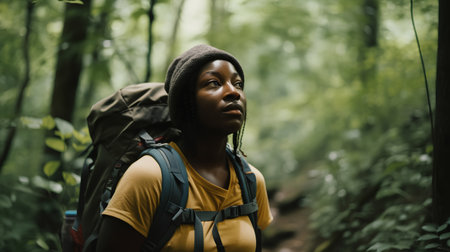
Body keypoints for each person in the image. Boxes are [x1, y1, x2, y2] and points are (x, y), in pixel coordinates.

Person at [96, 44, 273, 252]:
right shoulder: (149, 177)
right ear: (186, 102)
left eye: (238, 84)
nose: (233, 92)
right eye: (214, 83)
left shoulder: (251, 181)